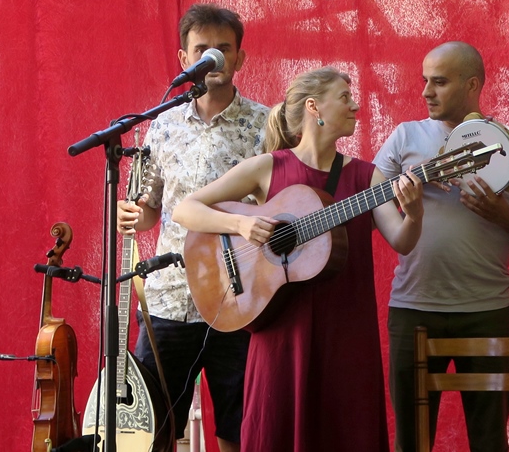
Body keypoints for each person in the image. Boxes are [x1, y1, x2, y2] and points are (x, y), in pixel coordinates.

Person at [171, 67, 424, 452]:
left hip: (347, 335)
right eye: (344, 97)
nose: (355, 105)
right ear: (314, 107)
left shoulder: (367, 177)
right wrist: (240, 224)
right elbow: (186, 210)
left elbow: (402, 241)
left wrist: (416, 213)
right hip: (281, 334)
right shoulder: (268, 167)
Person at [374, 41, 509, 452]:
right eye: (425, 81)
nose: (425, 92)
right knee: (411, 441)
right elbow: (371, 196)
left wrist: (501, 215)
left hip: (486, 313)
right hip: (413, 309)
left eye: (439, 82)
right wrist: (405, 201)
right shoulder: (405, 137)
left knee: (490, 440)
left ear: (472, 85)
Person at [117, 2, 269, 452]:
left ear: (240, 57)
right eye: (203, 49)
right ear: (184, 59)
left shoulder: (264, 124)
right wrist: (136, 214)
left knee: (237, 430)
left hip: (237, 297)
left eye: (224, 49)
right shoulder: (160, 126)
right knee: (155, 431)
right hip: (169, 299)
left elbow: (277, 205)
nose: (215, 58)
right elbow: (151, 207)